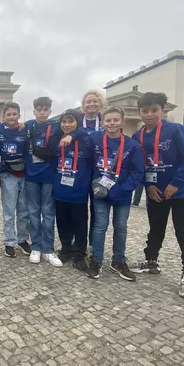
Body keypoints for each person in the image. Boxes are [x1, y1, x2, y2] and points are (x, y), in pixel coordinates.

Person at [130, 92, 184, 300]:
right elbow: (139, 165)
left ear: (162, 110)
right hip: (155, 192)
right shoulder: (138, 136)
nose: (149, 114)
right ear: (139, 112)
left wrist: (176, 183)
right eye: (145, 111)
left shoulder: (176, 130)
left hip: (180, 192)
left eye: (154, 110)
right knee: (156, 228)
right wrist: (148, 185)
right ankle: (151, 261)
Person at [86, 106, 144, 281]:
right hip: (101, 192)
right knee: (100, 225)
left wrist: (123, 189)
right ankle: (96, 260)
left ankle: (118, 261)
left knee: (121, 227)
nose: (112, 123)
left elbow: (137, 172)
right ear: (103, 122)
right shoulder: (95, 139)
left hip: (122, 193)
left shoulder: (132, 145)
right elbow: (88, 162)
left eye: (116, 120)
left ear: (122, 122)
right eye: (108, 120)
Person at [24, 98, 72, 266]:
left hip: (49, 176)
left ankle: (48, 249)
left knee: (48, 214)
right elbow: (6, 126)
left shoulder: (57, 127)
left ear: (50, 111)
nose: (42, 112)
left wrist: (72, 135)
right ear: (34, 111)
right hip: (31, 176)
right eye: (39, 109)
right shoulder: (28, 125)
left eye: (45, 109)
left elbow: (77, 129)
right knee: (33, 213)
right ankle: (36, 246)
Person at [0, 102, 31, 258]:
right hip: (7, 173)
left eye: (14, 114)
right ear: (3, 116)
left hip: (24, 173)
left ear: (19, 116)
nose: (11, 117)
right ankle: (9, 242)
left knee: (23, 210)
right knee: (9, 210)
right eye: (8, 114)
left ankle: (23, 239)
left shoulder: (25, 129)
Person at [52, 110, 94, 270]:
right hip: (60, 190)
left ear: (78, 123)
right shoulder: (57, 139)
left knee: (80, 224)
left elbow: (87, 132)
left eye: (71, 121)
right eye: (64, 121)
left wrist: (74, 135)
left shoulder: (86, 140)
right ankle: (66, 249)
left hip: (79, 191)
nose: (66, 125)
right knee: (62, 222)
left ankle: (79, 254)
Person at [79, 89, 105, 253]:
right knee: (80, 209)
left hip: (99, 172)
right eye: (88, 101)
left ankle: (94, 244)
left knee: (97, 210)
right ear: (83, 105)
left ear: (100, 104)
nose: (91, 104)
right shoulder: (76, 121)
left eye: (95, 101)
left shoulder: (106, 121)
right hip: (80, 171)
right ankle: (79, 243)